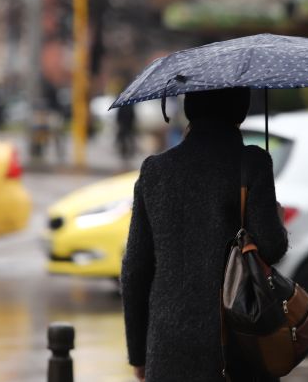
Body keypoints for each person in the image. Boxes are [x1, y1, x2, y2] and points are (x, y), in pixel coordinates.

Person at [121, 87, 288, 382]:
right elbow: (271, 247)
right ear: (240, 109)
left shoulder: (156, 171)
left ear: (190, 107)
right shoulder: (252, 163)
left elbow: (135, 269)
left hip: (168, 348)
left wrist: (138, 354)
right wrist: (274, 216)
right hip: (238, 343)